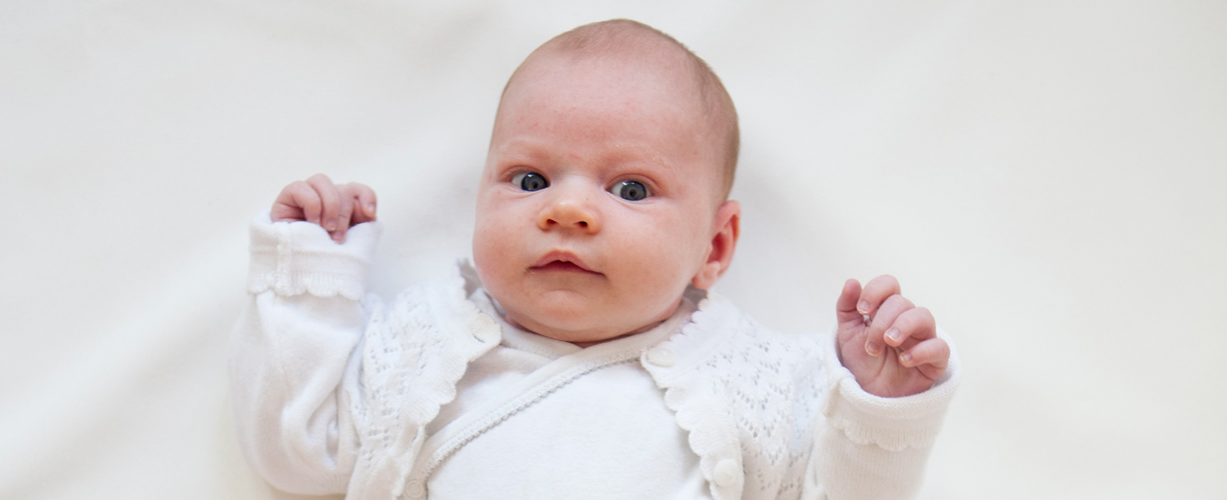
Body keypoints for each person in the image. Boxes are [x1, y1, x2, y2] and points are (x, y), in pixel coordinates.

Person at [231, 19, 959, 500]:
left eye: (630, 188)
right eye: (529, 180)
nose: (566, 210)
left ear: (713, 247)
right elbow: (297, 453)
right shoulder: (421, 344)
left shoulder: (759, 380)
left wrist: (879, 408)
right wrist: (312, 280)